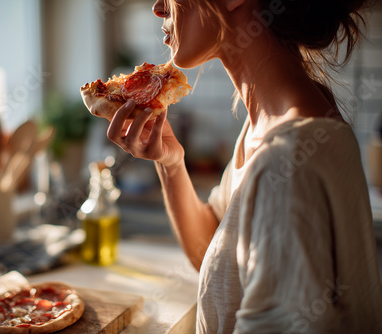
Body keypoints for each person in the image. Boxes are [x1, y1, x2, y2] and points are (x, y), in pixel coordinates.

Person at [105, 0, 382, 333]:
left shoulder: (289, 159)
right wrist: (170, 162)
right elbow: (216, 253)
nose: (158, 7)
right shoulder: (260, 131)